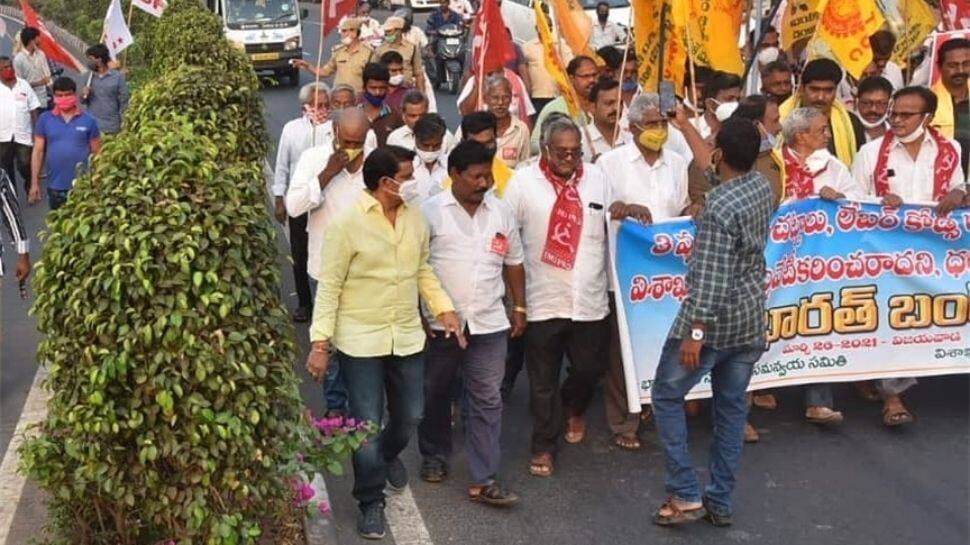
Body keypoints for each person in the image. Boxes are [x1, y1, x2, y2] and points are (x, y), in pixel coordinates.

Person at [305, 145, 464, 540]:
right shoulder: (347, 225)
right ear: (384, 183)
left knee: (411, 413)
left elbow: (422, 269)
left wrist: (443, 309)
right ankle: (370, 500)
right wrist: (320, 344)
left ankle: (388, 455)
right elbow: (330, 288)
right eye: (406, 177)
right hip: (360, 338)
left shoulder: (414, 221)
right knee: (366, 427)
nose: (412, 184)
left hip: (406, 335)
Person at [650, 118, 774, 528]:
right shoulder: (759, 187)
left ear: (722, 153)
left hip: (713, 324)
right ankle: (719, 499)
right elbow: (711, 168)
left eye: (713, 144)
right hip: (749, 321)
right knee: (731, 410)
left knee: (667, 397)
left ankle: (685, 492)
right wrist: (685, 123)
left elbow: (713, 280)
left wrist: (696, 334)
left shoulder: (720, 205)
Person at [850, 86, 966, 427]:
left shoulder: (951, 150)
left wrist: (961, 192)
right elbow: (854, 203)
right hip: (886, 253)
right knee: (892, 321)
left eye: (905, 114)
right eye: (894, 113)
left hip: (935, 254)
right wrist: (881, 206)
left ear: (927, 118)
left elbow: (957, 189)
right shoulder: (871, 153)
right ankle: (893, 397)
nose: (896, 120)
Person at [417, 139, 525, 505]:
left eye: (488, 177)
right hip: (441, 325)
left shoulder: (501, 212)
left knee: (487, 398)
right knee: (437, 393)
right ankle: (434, 454)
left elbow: (514, 262)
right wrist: (421, 316)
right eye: (476, 177)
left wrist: (519, 308)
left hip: (489, 323)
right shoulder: (429, 212)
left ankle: (484, 476)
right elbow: (416, 269)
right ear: (455, 176)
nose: (484, 184)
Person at [503, 114, 610, 478]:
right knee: (542, 380)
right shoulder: (522, 183)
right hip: (542, 298)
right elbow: (506, 237)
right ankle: (544, 445)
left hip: (590, 300)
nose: (569, 158)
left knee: (590, 370)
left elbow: (613, 223)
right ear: (544, 149)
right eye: (561, 152)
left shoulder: (597, 178)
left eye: (575, 152)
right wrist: (514, 301)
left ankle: (573, 406)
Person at [597, 93, 690, 450]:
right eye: (652, 124)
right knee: (623, 351)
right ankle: (625, 422)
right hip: (625, 272)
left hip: (667, 276)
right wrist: (620, 209)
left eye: (663, 123)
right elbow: (600, 211)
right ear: (633, 127)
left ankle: (659, 408)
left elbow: (680, 208)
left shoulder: (677, 164)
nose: (659, 130)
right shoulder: (610, 163)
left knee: (663, 345)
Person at [286, 109, 371, 418]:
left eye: (358, 142)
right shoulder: (313, 158)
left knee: (361, 342)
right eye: (347, 140)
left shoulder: (374, 161)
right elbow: (295, 207)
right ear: (334, 132)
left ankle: (365, 404)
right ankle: (336, 407)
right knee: (328, 341)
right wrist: (328, 173)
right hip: (324, 268)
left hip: (366, 271)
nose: (352, 148)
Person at [273, 82, 330, 323]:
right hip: (299, 200)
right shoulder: (291, 129)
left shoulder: (334, 129)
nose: (322, 110)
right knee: (300, 252)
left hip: (326, 201)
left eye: (326, 105)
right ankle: (305, 303)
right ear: (305, 106)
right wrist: (279, 198)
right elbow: (282, 164)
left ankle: (325, 303)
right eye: (317, 105)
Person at [28, 77, 101, 210]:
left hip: (83, 186)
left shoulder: (89, 121)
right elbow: (38, 152)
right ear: (54, 96)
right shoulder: (45, 120)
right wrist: (34, 183)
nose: (64, 98)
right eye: (60, 95)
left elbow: (97, 154)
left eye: (67, 94)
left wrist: (98, 182)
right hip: (55, 186)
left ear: (74, 94)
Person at [779, 58, 866, 167]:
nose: (820, 97)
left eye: (828, 90)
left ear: (836, 91)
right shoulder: (780, 120)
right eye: (814, 89)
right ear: (801, 89)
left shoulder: (851, 124)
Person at [777, 107, 865, 203]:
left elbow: (858, 195)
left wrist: (838, 196)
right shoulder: (775, 163)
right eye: (822, 130)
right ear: (801, 137)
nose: (829, 135)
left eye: (827, 129)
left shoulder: (833, 165)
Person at [531, 56, 599, 153]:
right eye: (586, 76)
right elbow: (534, 145)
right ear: (571, 79)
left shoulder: (604, 104)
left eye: (595, 75)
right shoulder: (555, 108)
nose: (592, 80)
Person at [293, 18, 373, 93]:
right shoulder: (338, 51)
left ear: (354, 33)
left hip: (358, 99)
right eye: (342, 31)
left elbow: (374, 79)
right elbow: (325, 72)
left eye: (345, 31)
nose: (342, 34)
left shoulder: (368, 52)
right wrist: (308, 66)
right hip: (338, 98)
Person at [0, 55, 40, 194]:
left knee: (24, 164)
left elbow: (34, 107)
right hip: (3, 136)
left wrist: (37, 131)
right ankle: (12, 195)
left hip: (23, 134)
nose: (9, 69)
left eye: (10, 66)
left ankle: (30, 184)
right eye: (5, 67)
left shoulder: (23, 85)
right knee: (5, 167)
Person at [931, 37, 970, 175]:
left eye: (966, 64)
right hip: (940, 184)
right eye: (953, 65)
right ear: (940, 67)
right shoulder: (926, 102)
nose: (960, 70)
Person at [522, 26, 574, 117]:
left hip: (558, 95)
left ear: (551, 28)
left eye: (548, 25)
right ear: (536, 28)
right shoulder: (527, 47)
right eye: (542, 25)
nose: (545, 28)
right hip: (537, 97)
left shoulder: (560, 44)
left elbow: (570, 66)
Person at [481, 75, 531, 168]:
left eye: (505, 97)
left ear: (511, 98)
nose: (500, 103)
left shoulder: (521, 130)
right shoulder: (472, 126)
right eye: (495, 98)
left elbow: (525, 165)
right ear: (485, 99)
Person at [80, 44, 129, 136]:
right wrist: (84, 94)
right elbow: (82, 101)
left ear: (99, 60)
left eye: (90, 59)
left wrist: (124, 121)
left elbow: (124, 100)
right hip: (91, 126)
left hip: (111, 126)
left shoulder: (118, 77)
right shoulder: (88, 77)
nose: (88, 62)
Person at [405, 113, 451, 204]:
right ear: (415, 138)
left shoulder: (451, 166)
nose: (430, 150)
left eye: (436, 145)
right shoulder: (405, 167)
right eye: (425, 145)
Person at [387, 90, 455, 151]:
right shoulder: (395, 139)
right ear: (404, 116)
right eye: (413, 116)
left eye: (422, 115)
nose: (418, 120)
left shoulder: (445, 137)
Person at [373, 17, 426, 94]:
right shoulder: (380, 49)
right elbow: (373, 72)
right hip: (386, 92)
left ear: (399, 31)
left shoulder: (411, 48)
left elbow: (418, 74)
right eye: (386, 31)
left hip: (406, 90)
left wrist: (421, 95)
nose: (387, 34)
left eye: (389, 31)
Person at [582, 79, 630, 160]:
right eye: (609, 103)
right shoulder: (580, 140)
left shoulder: (630, 140)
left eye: (620, 103)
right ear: (592, 107)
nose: (616, 108)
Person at [359, 63, 404, 147]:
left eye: (381, 88)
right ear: (364, 87)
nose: (377, 93)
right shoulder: (354, 115)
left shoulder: (396, 117)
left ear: (387, 88)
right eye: (373, 88)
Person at [426, 0, 465, 87]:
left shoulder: (455, 15)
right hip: (439, 40)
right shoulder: (434, 15)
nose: (443, 4)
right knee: (432, 55)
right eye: (442, 2)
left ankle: (460, 73)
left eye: (445, 2)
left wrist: (462, 28)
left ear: (448, 3)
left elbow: (460, 26)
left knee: (462, 52)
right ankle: (436, 75)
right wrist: (433, 31)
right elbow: (428, 28)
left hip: (453, 40)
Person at [696, 71, 743, 140]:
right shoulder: (686, 129)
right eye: (729, 99)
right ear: (710, 103)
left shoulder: (742, 133)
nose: (735, 104)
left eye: (738, 99)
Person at [13, 27, 50, 110]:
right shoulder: (19, 59)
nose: (40, 40)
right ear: (31, 41)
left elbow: (47, 76)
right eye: (38, 38)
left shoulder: (41, 54)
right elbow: (18, 84)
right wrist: (38, 83)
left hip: (43, 99)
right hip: (28, 102)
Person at [856, 76, 892, 142]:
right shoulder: (845, 131)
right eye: (866, 103)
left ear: (889, 104)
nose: (873, 109)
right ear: (856, 102)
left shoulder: (897, 134)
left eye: (880, 103)